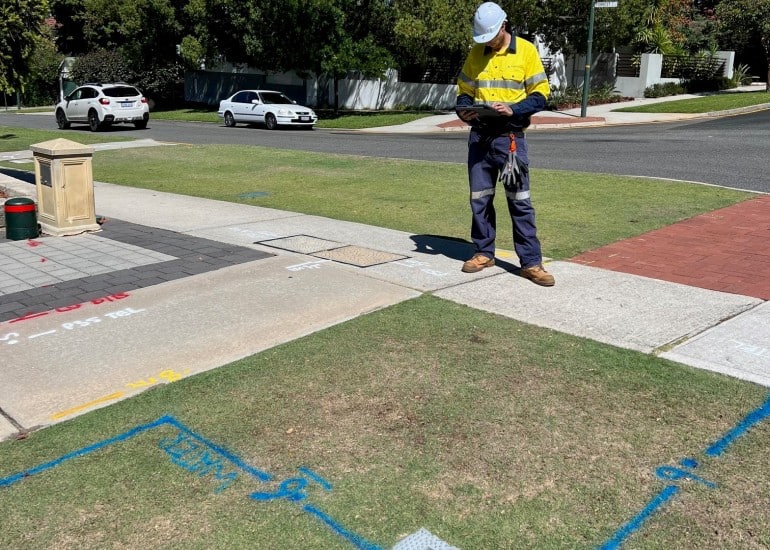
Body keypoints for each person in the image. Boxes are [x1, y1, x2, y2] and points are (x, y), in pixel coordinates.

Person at [456, 1, 555, 286]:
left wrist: (515, 109)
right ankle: (483, 252)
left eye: (490, 35)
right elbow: (464, 91)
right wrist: (464, 110)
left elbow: (540, 95)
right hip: (480, 139)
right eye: (482, 38)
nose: (486, 42)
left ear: (503, 26)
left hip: (510, 140)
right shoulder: (476, 53)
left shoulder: (526, 51)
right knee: (480, 199)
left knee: (520, 202)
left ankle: (531, 263)